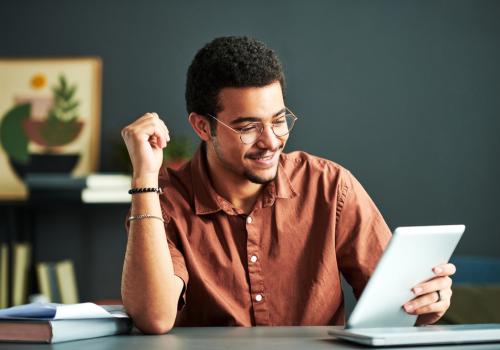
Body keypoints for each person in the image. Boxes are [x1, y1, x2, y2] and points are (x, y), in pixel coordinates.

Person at [120, 36, 455, 334]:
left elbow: (399, 306)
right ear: (203, 127)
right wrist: (144, 179)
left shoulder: (330, 187)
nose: (271, 141)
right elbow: (154, 318)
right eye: (248, 127)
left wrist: (427, 303)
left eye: (279, 121)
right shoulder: (164, 200)